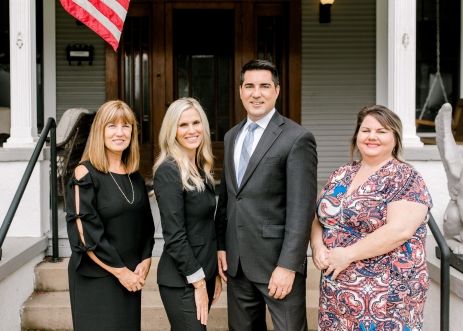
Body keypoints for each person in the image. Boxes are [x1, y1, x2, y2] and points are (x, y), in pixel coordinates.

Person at [215, 59, 318, 331]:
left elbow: (301, 209)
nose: (256, 93)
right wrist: (222, 245)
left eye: (264, 86)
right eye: (249, 86)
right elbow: (227, 198)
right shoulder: (231, 137)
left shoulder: (297, 138)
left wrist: (288, 265)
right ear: (240, 91)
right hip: (237, 264)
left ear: (277, 90)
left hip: (277, 265)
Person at [311, 105, 433, 331]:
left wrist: (347, 254)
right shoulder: (341, 174)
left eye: (382, 131)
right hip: (337, 291)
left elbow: (399, 231)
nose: (372, 137)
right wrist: (317, 246)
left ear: (395, 138)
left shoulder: (405, 178)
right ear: (357, 135)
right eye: (366, 130)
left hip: (387, 295)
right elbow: (320, 216)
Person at [66, 100, 155, 331]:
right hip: (98, 276)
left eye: (126, 126)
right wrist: (121, 272)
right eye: (112, 126)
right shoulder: (84, 173)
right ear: (100, 131)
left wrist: (146, 259)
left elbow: (146, 225)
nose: (120, 132)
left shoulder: (134, 176)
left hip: (131, 277)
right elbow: (85, 234)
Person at [153, 97, 222, 330]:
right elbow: (174, 235)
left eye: (196, 122)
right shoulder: (168, 171)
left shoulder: (201, 168)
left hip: (204, 274)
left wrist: (214, 275)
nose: (191, 130)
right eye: (183, 125)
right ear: (172, 130)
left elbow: (206, 227)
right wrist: (199, 283)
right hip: (183, 280)